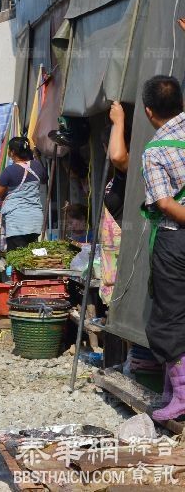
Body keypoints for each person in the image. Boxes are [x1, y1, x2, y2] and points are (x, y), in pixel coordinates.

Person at [138, 76, 185, 422]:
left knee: (169, 315)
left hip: (175, 239)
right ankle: (173, 387)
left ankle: (181, 395)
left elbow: (165, 203)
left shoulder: (155, 151)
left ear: (148, 111)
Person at [0, 137, 47, 251]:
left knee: (16, 258)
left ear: (12, 152)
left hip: (17, 221)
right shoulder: (38, 166)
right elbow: (44, 179)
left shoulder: (9, 171)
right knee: (31, 257)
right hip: (35, 219)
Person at [100, 101, 130, 304]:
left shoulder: (127, 166)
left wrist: (119, 122)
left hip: (124, 241)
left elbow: (118, 157)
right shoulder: (114, 178)